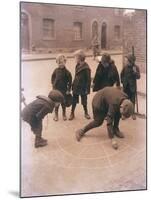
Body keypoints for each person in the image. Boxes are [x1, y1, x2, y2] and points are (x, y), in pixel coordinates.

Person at [69, 49, 91, 120]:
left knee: (84, 100)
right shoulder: (77, 65)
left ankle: (86, 112)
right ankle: (72, 113)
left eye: (75, 57)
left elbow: (88, 80)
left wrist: (87, 89)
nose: (74, 59)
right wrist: (73, 85)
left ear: (79, 58)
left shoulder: (86, 68)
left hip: (83, 87)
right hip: (76, 86)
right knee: (74, 100)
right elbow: (76, 76)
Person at [51, 54, 72, 121]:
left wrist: (68, 90)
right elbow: (53, 77)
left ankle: (64, 114)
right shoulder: (55, 70)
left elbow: (70, 82)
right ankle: (56, 115)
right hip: (56, 90)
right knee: (56, 103)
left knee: (63, 103)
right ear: (57, 62)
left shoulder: (67, 72)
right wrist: (53, 84)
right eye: (59, 63)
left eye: (62, 62)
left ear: (65, 62)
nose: (60, 64)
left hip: (63, 90)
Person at [120, 54, 140, 120]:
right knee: (125, 101)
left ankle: (132, 113)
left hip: (132, 87)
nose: (126, 62)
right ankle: (124, 114)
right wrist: (122, 81)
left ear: (131, 61)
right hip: (126, 87)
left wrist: (135, 72)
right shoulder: (125, 67)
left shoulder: (136, 67)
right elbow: (121, 74)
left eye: (128, 60)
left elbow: (138, 77)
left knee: (132, 101)